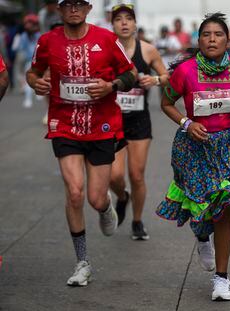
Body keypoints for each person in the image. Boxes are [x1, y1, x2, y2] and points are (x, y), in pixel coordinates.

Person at [156, 12, 230, 301]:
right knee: (203, 206)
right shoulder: (185, 71)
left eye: (218, 34)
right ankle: (202, 236)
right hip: (195, 147)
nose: (212, 39)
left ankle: (222, 279)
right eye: (206, 35)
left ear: (228, 40)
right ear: (199, 40)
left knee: (226, 209)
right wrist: (187, 123)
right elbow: (166, 102)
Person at [26, 0, 138, 287]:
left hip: (101, 128)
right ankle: (82, 262)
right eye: (67, 5)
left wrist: (110, 86)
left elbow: (130, 74)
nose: (73, 9)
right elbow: (33, 72)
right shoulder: (47, 41)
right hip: (64, 126)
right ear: (59, 10)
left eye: (79, 4)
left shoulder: (107, 39)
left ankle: (105, 207)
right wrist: (34, 82)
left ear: (88, 8)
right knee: (74, 193)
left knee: (94, 198)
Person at [110, 4, 169, 240]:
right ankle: (122, 197)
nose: (124, 23)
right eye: (118, 19)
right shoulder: (106, 49)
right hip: (113, 120)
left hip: (139, 121)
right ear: (112, 24)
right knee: (114, 176)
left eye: (128, 19)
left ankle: (137, 220)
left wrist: (154, 80)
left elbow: (167, 77)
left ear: (135, 24)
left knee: (137, 174)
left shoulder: (147, 50)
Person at [14, 14, 41, 108]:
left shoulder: (39, 35)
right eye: (27, 24)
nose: (29, 26)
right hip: (28, 61)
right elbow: (20, 49)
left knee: (39, 79)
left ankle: (38, 93)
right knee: (27, 80)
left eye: (31, 24)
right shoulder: (24, 36)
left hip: (39, 61)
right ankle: (28, 99)